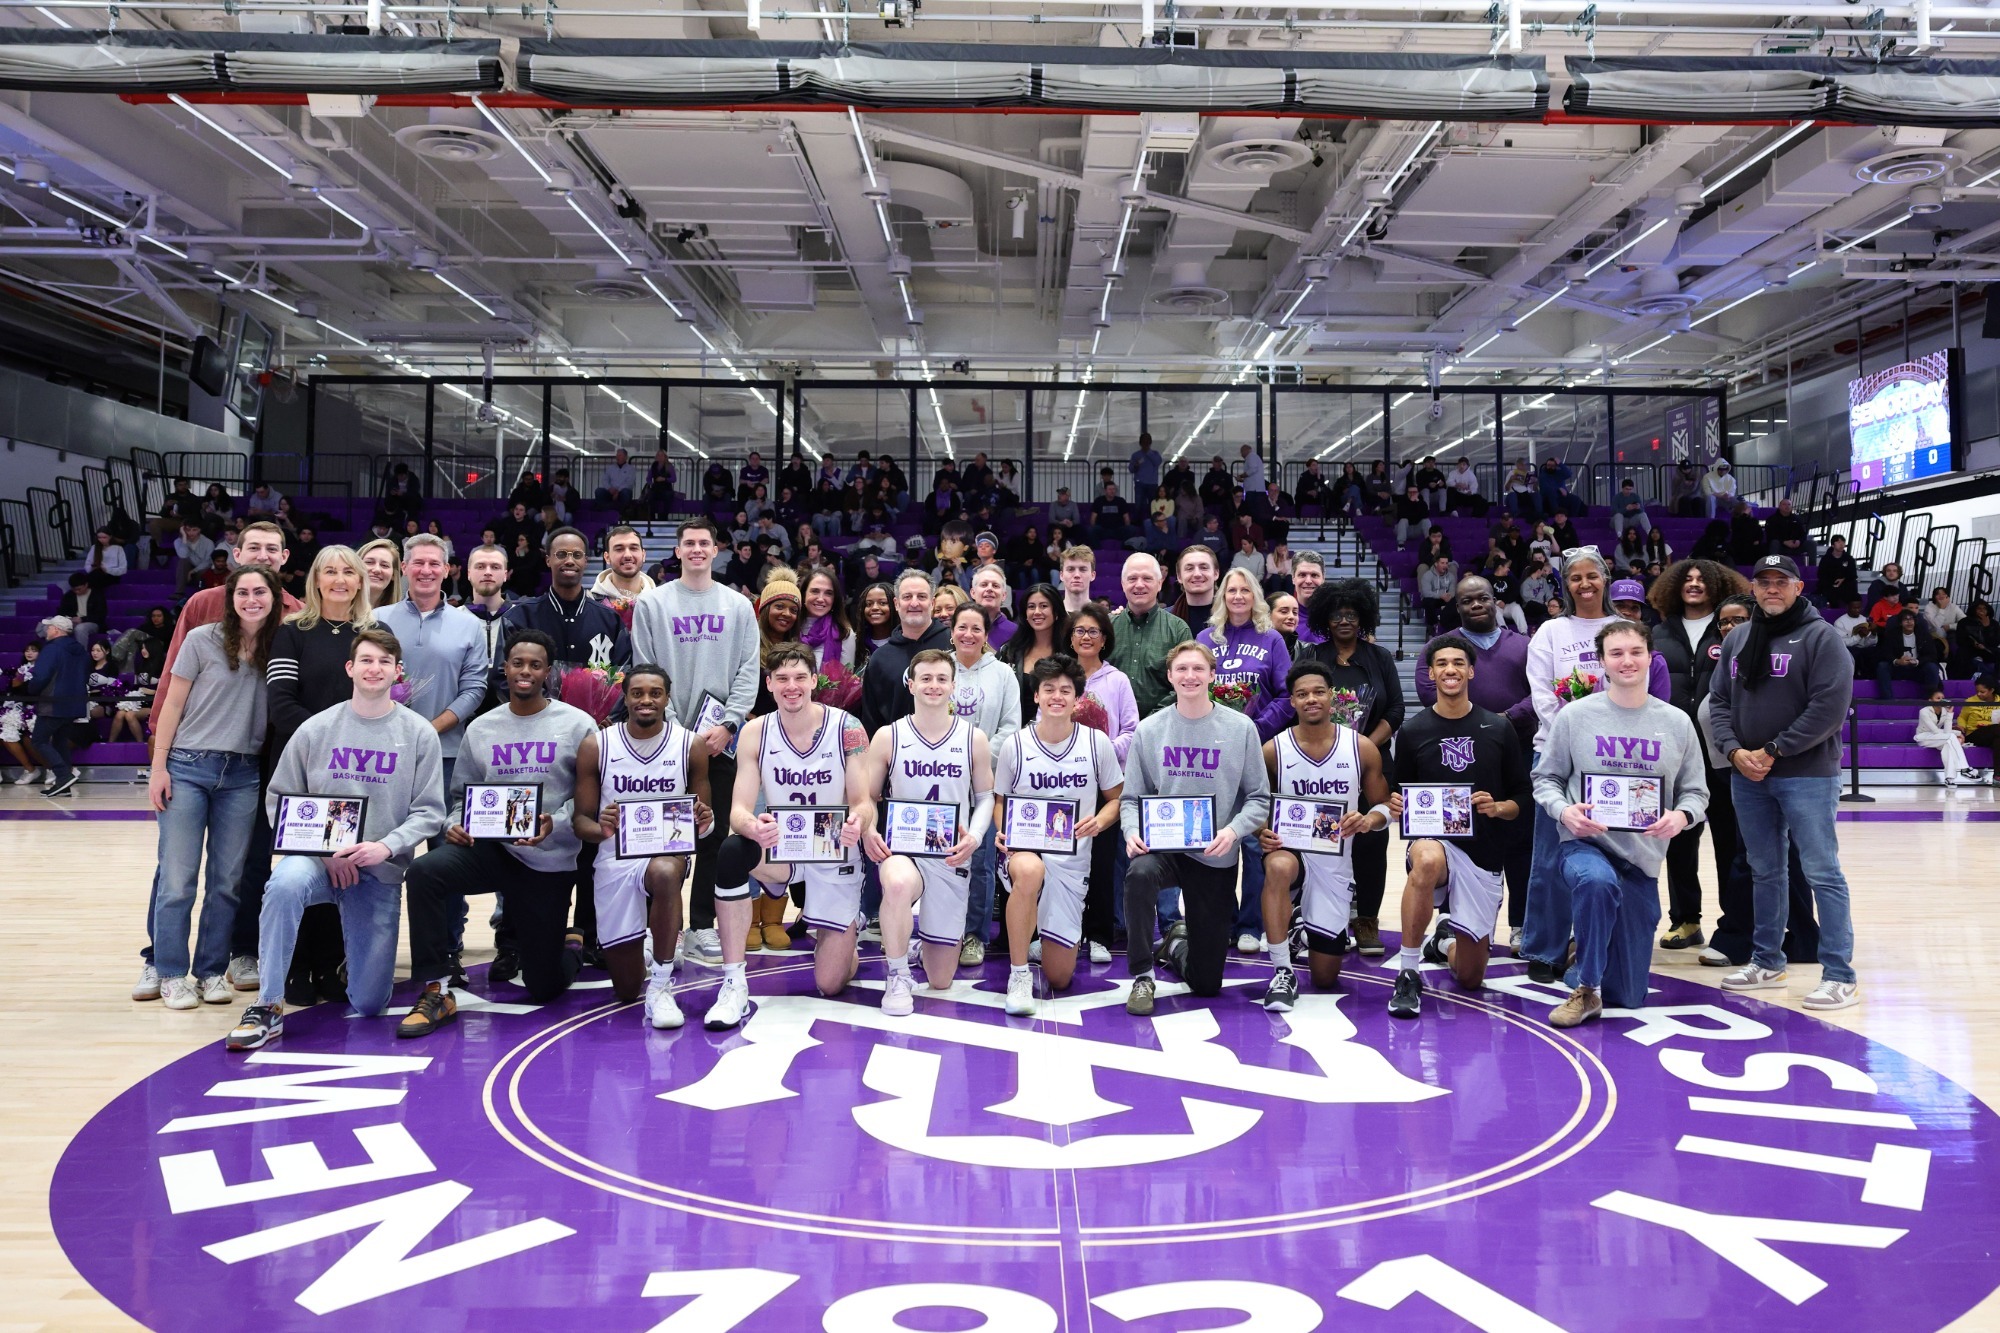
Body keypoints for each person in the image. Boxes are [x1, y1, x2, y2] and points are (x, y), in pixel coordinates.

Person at [226, 628, 447, 1051]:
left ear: (397, 672)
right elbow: (280, 800)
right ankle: (267, 1005)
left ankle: (356, 963)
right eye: (366, 660)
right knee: (284, 883)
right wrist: (324, 852)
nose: (374, 668)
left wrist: (385, 846)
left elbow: (430, 812)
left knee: (369, 1003)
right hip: (317, 861)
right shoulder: (316, 728)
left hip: (378, 869)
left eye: (384, 662)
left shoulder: (419, 733)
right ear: (350, 667)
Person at [397, 630, 598, 1037]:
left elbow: (589, 799)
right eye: (517, 663)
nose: (525, 671)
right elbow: (460, 797)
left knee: (543, 986)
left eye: (535, 665)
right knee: (424, 872)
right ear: (504, 668)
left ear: (548, 672)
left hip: (547, 859)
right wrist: (454, 823)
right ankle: (437, 988)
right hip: (490, 850)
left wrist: (555, 823)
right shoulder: (482, 727)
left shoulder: (578, 724)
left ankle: (571, 947)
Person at [1534, 619, 1709, 1028]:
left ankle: (1589, 957)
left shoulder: (1677, 722)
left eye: (1635, 652)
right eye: (1616, 653)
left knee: (1628, 996)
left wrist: (1681, 816)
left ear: (1650, 657)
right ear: (1602, 661)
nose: (1626, 661)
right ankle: (1586, 988)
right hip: (1585, 845)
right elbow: (1546, 779)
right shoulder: (1575, 716)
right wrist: (1564, 811)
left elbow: (1697, 793)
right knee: (1596, 882)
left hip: (1642, 859)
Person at [1708, 553, 1860, 1011]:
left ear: (1798, 587)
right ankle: (1767, 960)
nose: (1772, 589)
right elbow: (1718, 701)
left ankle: (1839, 975)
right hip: (1748, 773)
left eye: (1781, 581)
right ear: (1753, 589)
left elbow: (1829, 709)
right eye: (1764, 582)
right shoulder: (1739, 639)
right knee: (1764, 870)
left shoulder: (1822, 638)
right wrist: (1734, 751)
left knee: (1821, 872)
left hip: (1806, 774)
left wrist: (1773, 749)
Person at [708, 645, 874, 1022]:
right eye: (782, 678)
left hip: (833, 849)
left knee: (830, 983)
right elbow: (738, 812)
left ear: (814, 680)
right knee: (733, 851)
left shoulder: (847, 727)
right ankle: (734, 982)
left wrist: (857, 821)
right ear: (769, 684)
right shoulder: (754, 731)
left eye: (800, 677)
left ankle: (844, 937)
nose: (791, 686)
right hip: (784, 848)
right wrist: (753, 826)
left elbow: (863, 801)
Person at [145, 567, 280, 1010]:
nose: (251, 600)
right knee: (178, 880)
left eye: (260, 592)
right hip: (187, 766)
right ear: (231, 598)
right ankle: (170, 973)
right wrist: (158, 767)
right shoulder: (201, 639)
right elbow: (173, 703)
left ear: (274, 597)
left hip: (243, 774)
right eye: (243, 592)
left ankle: (210, 971)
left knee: (226, 882)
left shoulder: (280, 646)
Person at [630, 517, 762, 969]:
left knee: (713, 834)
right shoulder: (652, 604)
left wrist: (729, 723)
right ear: (678, 550)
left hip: (720, 739)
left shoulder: (737, 605)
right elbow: (644, 668)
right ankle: (656, 929)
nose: (697, 550)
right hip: (665, 739)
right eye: (689, 543)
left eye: (704, 542)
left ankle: (702, 925)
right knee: (659, 835)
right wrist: (675, 731)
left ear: (716, 548)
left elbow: (748, 669)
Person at [1384, 635, 1532, 1019]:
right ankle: (1408, 973)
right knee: (1427, 859)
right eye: (1442, 664)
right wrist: (1395, 805)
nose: (1450, 669)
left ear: (1471, 671)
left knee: (1470, 977)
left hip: (1484, 854)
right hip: (1434, 843)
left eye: (1458, 663)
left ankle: (1444, 941)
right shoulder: (1414, 731)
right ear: (1431, 674)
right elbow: (1399, 794)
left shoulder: (1498, 727)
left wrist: (1499, 807)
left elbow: (1522, 797)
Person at [1120, 641, 1271, 1016]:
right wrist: (1131, 831)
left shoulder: (1240, 728)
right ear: (1170, 676)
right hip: (1163, 847)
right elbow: (1131, 798)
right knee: (1139, 874)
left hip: (1213, 853)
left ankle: (1175, 945)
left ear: (1212, 675)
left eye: (1198, 669)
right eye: (1182, 669)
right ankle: (1142, 975)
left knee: (1206, 985)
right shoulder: (1150, 729)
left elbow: (1258, 798)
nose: (1190, 676)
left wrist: (1233, 832)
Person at [573, 665, 714, 1028]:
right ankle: (652, 944)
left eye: (655, 693)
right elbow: (580, 822)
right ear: (625, 697)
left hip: (666, 853)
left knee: (665, 872)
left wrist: (703, 819)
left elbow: (705, 824)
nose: (646, 700)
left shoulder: (690, 745)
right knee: (626, 989)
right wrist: (602, 828)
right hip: (615, 858)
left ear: (667, 698)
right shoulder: (597, 745)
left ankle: (662, 984)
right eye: (637, 693)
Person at [265, 545, 374, 1006]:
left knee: (342, 865)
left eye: (348, 571)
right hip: (300, 765)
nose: (339, 579)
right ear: (315, 579)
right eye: (330, 571)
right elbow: (281, 705)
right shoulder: (292, 632)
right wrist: (327, 744)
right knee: (302, 866)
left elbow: (382, 700)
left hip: (355, 769)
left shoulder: (374, 632)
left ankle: (332, 963)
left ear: (360, 580)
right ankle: (296, 965)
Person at [862, 647, 995, 1013]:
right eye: (925, 678)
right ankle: (897, 974)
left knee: (940, 979)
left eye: (941, 679)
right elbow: (867, 796)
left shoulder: (973, 738)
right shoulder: (888, 736)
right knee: (897, 883)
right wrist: (870, 829)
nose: (933, 685)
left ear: (953, 686)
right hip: (903, 848)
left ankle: (917, 944)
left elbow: (985, 797)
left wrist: (975, 836)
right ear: (911, 684)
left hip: (950, 854)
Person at [1255, 660, 1391, 1012]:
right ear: (1292, 702)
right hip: (1291, 850)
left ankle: (1302, 926)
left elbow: (1386, 806)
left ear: (1332, 696)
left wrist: (1368, 819)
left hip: (1334, 862)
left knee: (1325, 977)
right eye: (1302, 694)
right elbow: (1255, 805)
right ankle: (1282, 971)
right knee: (1279, 867)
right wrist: (1261, 831)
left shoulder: (1361, 747)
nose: (1311, 699)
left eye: (1318, 692)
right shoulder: (1273, 749)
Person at [1415, 575, 1536, 934]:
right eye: (1467, 601)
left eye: (1482, 598)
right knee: (1457, 838)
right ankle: (1452, 921)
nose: (1476, 605)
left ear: (1496, 601)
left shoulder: (1525, 645)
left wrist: (1503, 721)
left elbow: (1541, 692)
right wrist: (1474, 725)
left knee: (1520, 840)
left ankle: (1521, 924)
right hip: (1458, 756)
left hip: (1516, 751)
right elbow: (1427, 689)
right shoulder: (1441, 646)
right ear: (1457, 607)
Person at [1645, 558, 1751, 951]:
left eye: (1702, 579)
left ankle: (1734, 921)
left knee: (1729, 841)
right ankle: (1685, 920)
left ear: (1717, 585)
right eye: (1687, 579)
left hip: (1723, 751)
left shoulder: (1733, 627)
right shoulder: (1658, 633)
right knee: (1679, 840)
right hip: (1675, 752)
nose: (1694, 584)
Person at [1294, 579, 1404, 954]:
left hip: (1371, 760)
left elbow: (1395, 709)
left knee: (1371, 838)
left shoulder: (1380, 658)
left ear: (1363, 618)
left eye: (1352, 614)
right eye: (1337, 615)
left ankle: (1367, 919)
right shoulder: (1312, 656)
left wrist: (1361, 747)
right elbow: (1298, 703)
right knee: (1321, 839)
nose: (1344, 621)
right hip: (1319, 764)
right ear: (1325, 619)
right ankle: (1320, 918)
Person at [373, 535, 490, 794]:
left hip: (444, 752)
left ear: (446, 570)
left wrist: (429, 730)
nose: (426, 570)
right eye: (418, 563)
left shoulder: (469, 625)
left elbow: (474, 690)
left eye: (434, 564)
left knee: (442, 822)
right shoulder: (376, 620)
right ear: (404, 568)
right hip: (382, 750)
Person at [945, 603, 1020, 964]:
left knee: (981, 860)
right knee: (940, 859)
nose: (969, 634)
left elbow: (1011, 727)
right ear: (952, 631)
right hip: (941, 781)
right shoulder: (938, 668)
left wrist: (974, 758)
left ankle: (975, 934)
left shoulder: (1003, 673)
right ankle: (942, 931)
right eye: (962, 627)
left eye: (977, 628)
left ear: (986, 635)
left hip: (985, 782)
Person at [858, 568, 953, 735]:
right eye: (907, 597)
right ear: (896, 603)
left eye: (921, 596)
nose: (914, 603)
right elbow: (871, 720)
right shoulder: (880, 659)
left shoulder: (954, 644)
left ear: (932, 603)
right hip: (897, 748)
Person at [1108, 553, 1192, 719]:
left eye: (1147, 578)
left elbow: (1184, 683)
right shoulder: (1106, 627)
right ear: (1123, 584)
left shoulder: (1178, 629)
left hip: (1162, 726)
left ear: (1159, 583)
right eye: (1132, 579)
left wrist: (1150, 723)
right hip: (1110, 725)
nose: (1139, 585)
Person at [1874, 606, 1943, 701]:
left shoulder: (1923, 634)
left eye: (1911, 619)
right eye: (1905, 619)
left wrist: (1918, 661)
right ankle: (1887, 699)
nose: (1909, 622)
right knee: (1882, 666)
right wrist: (1897, 661)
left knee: (1932, 667)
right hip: (1898, 668)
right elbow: (1885, 653)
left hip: (1917, 668)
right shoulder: (1891, 634)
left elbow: (1932, 655)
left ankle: (1930, 698)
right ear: (1900, 623)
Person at [1916, 693, 1975, 787]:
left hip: (1938, 737)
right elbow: (1935, 730)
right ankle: (1964, 768)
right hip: (1924, 737)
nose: (1941, 700)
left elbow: (1947, 731)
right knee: (1951, 737)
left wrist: (1950, 713)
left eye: (1942, 698)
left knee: (1948, 745)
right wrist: (1957, 733)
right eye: (1938, 698)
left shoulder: (1944, 711)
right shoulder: (1924, 711)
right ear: (1931, 700)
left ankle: (1949, 778)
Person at [590, 524, 655, 608]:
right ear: (607, 557)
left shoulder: (659, 601)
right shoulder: (590, 604)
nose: (627, 555)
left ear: (643, 555)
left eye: (633, 548)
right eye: (619, 549)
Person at [1171, 543, 1219, 625]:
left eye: (1203, 568)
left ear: (1216, 574)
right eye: (1189, 568)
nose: (1197, 574)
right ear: (1179, 577)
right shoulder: (1164, 620)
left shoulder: (1234, 616)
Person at [1418, 555, 1458, 637]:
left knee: (1455, 601)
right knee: (1428, 601)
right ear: (1436, 564)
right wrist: (1440, 595)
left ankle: (1452, 628)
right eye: (1442, 563)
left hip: (1445, 598)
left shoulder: (1451, 576)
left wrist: (1449, 596)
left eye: (1446, 563)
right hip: (1433, 598)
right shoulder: (1427, 575)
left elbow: (1452, 591)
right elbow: (1426, 593)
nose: (1445, 565)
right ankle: (1433, 625)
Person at [1818, 534, 1858, 606]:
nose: (1841, 544)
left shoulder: (1849, 559)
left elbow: (1853, 574)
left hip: (1845, 584)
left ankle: (1851, 606)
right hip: (1830, 584)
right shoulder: (1826, 559)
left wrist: (1843, 579)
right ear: (1833, 545)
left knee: (1853, 584)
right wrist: (1832, 582)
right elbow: (1821, 574)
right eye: (1838, 542)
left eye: (1843, 542)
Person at [1392, 485, 1430, 551]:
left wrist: (1418, 502)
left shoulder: (1422, 503)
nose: (1412, 494)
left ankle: (1430, 543)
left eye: (1414, 492)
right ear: (1407, 493)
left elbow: (1425, 515)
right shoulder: (1402, 503)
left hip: (1416, 529)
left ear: (1418, 493)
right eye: (1410, 492)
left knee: (1426, 521)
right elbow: (1402, 516)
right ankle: (1401, 545)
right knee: (1403, 520)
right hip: (1403, 529)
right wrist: (1416, 514)